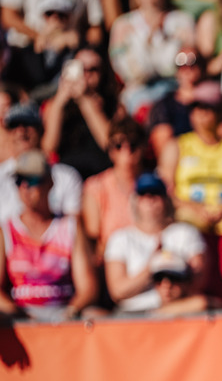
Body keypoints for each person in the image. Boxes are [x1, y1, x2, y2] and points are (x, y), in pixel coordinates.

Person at [0, 150, 96, 321]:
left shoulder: (69, 227)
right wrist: (23, 318)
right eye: (19, 181)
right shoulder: (5, 230)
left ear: (50, 183)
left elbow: (87, 287)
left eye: (32, 180)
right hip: (20, 316)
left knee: (95, 316)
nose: (24, 187)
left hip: (62, 312)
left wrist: (70, 313)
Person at [104, 173, 208, 314]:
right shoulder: (120, 238)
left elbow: (198, 280)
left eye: (155, 194)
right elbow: (117, 291)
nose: (150, 199)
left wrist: (171, 274)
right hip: (132, 313)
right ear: (135, 201)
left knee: (201, 303)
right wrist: (153, 266)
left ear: (166, 199)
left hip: (178, 309)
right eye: (143, 194)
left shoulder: (185, 232)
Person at [158, 80, 222, 235]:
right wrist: (196, 209)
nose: (201, 113)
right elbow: (167, 189)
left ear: (220, 112)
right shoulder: (176, 145)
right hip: (189, 213)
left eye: (208, 108)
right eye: (196, 108)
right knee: (182, 228)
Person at [108, 0, 195, 116]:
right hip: (138, 94)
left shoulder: (182, 21)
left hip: (175, 91)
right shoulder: (122, 25)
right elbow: (127, 71)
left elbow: (188, 66)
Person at [40, 46, 120, 180]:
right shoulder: (55, 104)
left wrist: (84, 99)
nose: (86, 74)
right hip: (65, 175)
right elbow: (49, 147)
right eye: (81, 68)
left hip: (100, 173)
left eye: (93, 69)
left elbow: (109, 143)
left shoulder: (113, 103)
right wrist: (61, 98)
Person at [0, 102, 82, 225]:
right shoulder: (1, 177)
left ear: (40, 129)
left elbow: (74, 229)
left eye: (28, 124)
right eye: (14, 126)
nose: (21, 131)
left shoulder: (66, 176)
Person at [80, 116, 149, 260]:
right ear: (110, 150)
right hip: (113, 262)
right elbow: (94, 241)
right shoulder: (96, 187)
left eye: (133, 143)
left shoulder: (156, 182)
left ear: (143, 146)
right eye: (118, 145)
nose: (126, 149)